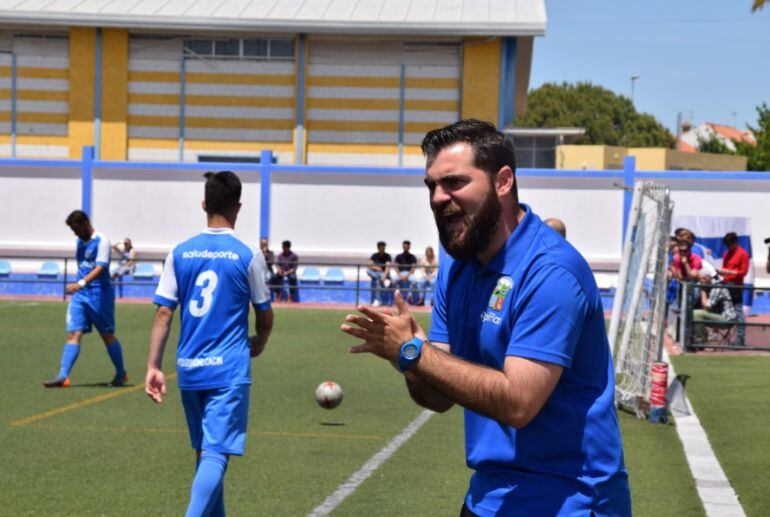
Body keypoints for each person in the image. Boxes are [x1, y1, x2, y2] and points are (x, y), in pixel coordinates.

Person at [340, 120, 630, 516]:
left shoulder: (550, 272)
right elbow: (437, 397)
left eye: (455, 182)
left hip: (571, 500)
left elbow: (518, 403)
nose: (439, 198)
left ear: (503, 181)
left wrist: (415, 353)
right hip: (489, 498)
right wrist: (408, 361)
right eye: (432, 186)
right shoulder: (457, 269)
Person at [145, 170, 273, 517]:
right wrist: (260, 340)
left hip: (189, 369)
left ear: (204, 204)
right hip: (228, 369)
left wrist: (154, 366)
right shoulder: (248, 255)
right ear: (239, 207)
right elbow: (264, 312)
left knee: (205, 452)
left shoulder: (179, 252)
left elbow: (163, 313)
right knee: (215, 454)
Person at [43, 210, 128, 388]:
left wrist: (80, 283)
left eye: (76, 229)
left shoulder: (102, 240)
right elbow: (84, 266)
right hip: (80, 296)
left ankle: (121, 374)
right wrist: (80, 285)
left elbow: (101, 268)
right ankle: (63, 376)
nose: (75, 233)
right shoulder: (79, 242)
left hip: (99, 296)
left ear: (85, 223)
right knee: (73, 333)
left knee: (107, 335)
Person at [692, 264, 741, 345]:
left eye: (702, 279)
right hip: (719, 316)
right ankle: (698, 338)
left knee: (696, 314)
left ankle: (700, 341)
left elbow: (707, 307)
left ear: (708, 278)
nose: (700, 282)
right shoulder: (710, 286)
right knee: (692, 314)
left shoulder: (717, 287)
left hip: (727, 319)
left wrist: (702, 290)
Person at [718, 232, 750, 304]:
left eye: (729, 244)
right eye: (727, 245)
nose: (728, 247)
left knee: (736, 307)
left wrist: (728, 272)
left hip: (736, 285)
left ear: (735, 242)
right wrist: (720, 272)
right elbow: (724, 271)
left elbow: (743, 272)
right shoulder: (726, 254)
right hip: (726, 283)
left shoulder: (743, 254)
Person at [367, 241, 392, 307]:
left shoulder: (387, 256)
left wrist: (384, 276)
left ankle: (378, 301)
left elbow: (388, 267)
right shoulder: (374, 255)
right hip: (377, 273)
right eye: (381, 248)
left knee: (378, 281)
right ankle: (384, 280)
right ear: (378, 248)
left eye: (383, 248)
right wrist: (377, 268)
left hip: (385, 274)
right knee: (368, 271)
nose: (383, 249)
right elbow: (369, 265)